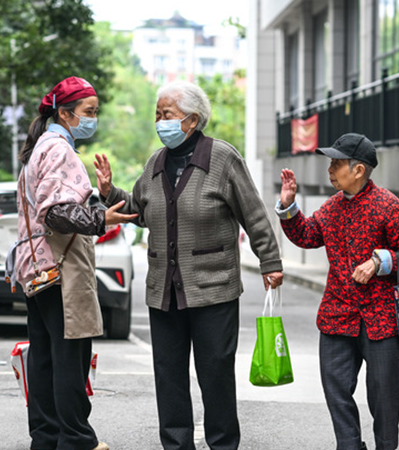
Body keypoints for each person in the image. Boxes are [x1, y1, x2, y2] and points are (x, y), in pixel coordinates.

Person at [94, 80, 283, 450]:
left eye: (166, 114)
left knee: (215, 373)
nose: (159, 122)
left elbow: (253, 212)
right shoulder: (156, 162)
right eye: (157, 115)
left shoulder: (223, 158)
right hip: (164, 291)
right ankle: (176, 444)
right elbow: (139, 209)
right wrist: (109, 193)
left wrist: (269, 260)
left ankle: (223, 444)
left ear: (192, 120)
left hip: (214, 288)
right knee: (168, 375)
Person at [276, 133, 399, 450]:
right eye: (330, 163)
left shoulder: (388, 205)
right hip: (337, 313)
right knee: (336, 389)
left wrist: (379, 262)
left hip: (380, 317)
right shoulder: (332, 207)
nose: (330, 169)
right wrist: (288, 206)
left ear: (358, 170)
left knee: (385, 394)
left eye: (337, 164)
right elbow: (307, 235)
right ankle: (349, 446)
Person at [12, 76, 136, 450]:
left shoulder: (40, 147)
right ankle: (77, 439)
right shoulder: (58, 150)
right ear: (65, 114)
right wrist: (101, 218)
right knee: (70, 354)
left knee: (45, 355)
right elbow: (55, 212)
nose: (93, 118)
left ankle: (47, 437)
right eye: (88, 111)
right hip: (60, 268)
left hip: (38, 268)